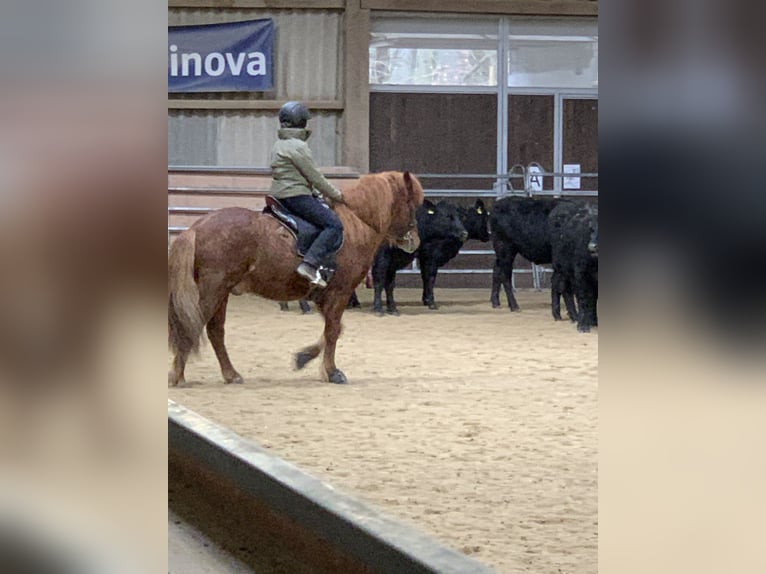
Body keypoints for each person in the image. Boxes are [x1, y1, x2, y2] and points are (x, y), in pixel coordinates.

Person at [269, 101, 345, 289]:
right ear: (301, 121)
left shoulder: (279, 144)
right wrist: (337, 195)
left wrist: (317, 194)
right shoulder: (298, 146)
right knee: (334, 225)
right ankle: (309, 264)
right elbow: (315, 176)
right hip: (296, 195)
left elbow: (302, 177)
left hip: (281, 195)